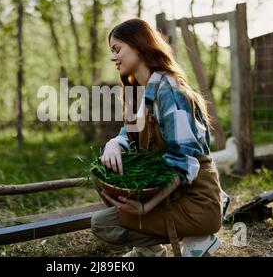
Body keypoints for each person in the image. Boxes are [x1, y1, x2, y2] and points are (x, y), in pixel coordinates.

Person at [91, 18, 224, 257]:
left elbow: (185, 164)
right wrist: (113, 144)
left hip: (195, 200)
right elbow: (128, 134)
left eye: (117, 49)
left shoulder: (171, 93)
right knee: (103, 172)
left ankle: (197, 238)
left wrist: (147, 206)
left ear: (140, 46)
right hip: (170, 193)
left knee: (104, 224)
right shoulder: (139, 93)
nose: (113, 58)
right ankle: (150, 249)